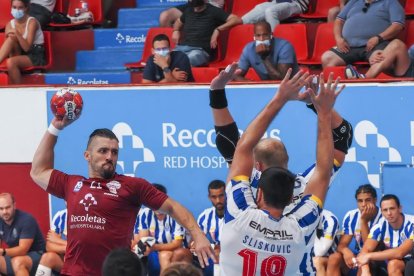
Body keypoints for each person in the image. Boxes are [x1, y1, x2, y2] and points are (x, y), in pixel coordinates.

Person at [209, 63, 352, 274]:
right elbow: (341, 140)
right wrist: (321, 108)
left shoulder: (241, 206)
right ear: (288, 159)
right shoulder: (303, 204)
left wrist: (217, 92)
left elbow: (233, 144)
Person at [30, 120, 215, 275]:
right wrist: (55, 126)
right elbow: (38, 171)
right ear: (87, 155)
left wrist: (198, 235)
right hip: (73, 272)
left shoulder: (132, 186)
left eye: (114, 152)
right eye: (103, 151)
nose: (110, 156)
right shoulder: (71, 184)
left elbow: (173, 207)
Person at [321, 0, 405, 69]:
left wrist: (378, 37)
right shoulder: (353, 1)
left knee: (378, 59)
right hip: (349, 46)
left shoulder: (391, 2)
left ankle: (368, 81)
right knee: (327, 58)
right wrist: (338, 39)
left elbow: (398, 25)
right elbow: (339, 21)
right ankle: (335, 87)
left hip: (376, 44)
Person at [326, 184, 383, 276]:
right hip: (360, 254)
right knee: (334, 257)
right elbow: (341, 245)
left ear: (375, 200)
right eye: (360, 201)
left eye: (368, 200)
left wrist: (364, 222)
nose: (364, 204)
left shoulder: (383, 217)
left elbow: (369, 248)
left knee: (363, 259)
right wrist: (346, 251)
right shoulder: (351, 215)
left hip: (377, 256)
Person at [135, 184, 187, 275]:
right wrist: (144, 248)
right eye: (152, 200)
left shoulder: (177, 214)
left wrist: (155, 247)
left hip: (173, 250)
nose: (156, 204)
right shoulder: (144, 214)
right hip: (152, 251)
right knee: (136, 254)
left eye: (159, 201)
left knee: (164, 255)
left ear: (165, 199)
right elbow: (143, 240)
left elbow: (177, 244)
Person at [357, 194, 414, 276]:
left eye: (392, 208)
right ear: (382, 212)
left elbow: (400, 252)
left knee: (393, 264)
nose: (389, 213)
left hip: (411, 259)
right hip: (396, 261)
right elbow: (365, 250)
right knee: (364, 264)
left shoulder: (411, 223)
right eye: (385, 210)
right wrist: (365, 271)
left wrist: (368, 256)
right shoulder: (380, 226)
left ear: (400, 208)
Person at [172, 0, 242, 66]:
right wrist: (176, 30)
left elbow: (236, 19)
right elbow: (178, 21)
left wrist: (218, 29)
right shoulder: (188, 10)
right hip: (182, 48)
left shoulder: (213, 11)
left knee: (189, 58)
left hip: (200, 51)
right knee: (167, 57)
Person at [235, 20, 299, 81]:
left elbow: (282, 80)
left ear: (271, 35)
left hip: (292, 86)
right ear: (254, 37)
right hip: (267, 87)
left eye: (265, 35)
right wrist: (253, 86)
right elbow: (236, 75)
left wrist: (264, 57)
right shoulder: (249, 49)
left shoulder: (285, 46)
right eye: (258, 36)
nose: (261, 39)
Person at [0, 0, 45, 84]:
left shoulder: (32, 22)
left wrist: (17, 33)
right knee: (11, 39)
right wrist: (12, 36)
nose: (17, 10)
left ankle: (18, 90)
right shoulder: (9, 24)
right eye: (14, 7)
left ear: (26, 8)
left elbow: (27, 48)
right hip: (19, 52)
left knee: (11, 62)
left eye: (20, 8)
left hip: (35, 54)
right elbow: (8, 48)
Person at [0, 193, 46, 276]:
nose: (4, 212)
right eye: (1, 209)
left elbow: (23, 250)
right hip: (14, 255)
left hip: (38, 254)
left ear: (14, 205)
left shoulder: (26, 219)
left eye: (7, 207)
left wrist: (3, 252)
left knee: (18, 262)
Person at [35, 208, 67, 276]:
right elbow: (49, 246)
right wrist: (66, 248)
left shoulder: (88, 218)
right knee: (48, 258)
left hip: (83, 264)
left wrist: (57, 240)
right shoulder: (61, 216)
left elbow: (83, 248)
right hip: (65, 262)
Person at [241, 0, 310, 31]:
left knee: (271, 11)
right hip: (277, 2)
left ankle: (275, 42)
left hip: (296, 3)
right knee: (259, 8)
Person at [313, 209, 341, 276]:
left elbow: (319, 252)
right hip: (308, 259)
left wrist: (310, 228)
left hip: (330, 259)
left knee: (316, 261)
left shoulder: (330, 220)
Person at [159, 0, 224, 27]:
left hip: (210, 5)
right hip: (192, 4)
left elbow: (218, 5)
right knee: (165, 16)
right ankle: (167, 47)